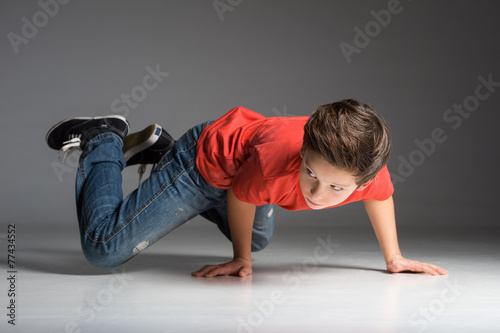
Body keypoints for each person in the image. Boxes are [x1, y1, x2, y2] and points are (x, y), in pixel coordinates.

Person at [45, 99, 448, 278]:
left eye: (337, 188)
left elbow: (382, 196)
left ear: (360, 180)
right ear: (303, 149)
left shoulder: (367, 170)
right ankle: (104, 137)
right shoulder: (276, 164)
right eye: (309, 173)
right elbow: (240, 193)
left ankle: (160, 154)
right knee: (103, 249)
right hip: (203, 165)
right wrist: (240, 261)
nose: (317, 194)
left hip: (242, 169)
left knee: (258, 239)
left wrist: (393, 257)